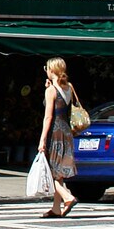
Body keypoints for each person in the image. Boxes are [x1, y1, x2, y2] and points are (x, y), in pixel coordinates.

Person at [35, 57, 81, 218]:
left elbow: (48, 117)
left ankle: (68, 197)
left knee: (50, 170)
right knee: (59, 172)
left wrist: (42, 139)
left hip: (55, 132)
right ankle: (56, 208)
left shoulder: (51, 91)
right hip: (66, 132)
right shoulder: (68, 87)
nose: (45, 70)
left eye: (46, 68)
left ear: (51, 70)